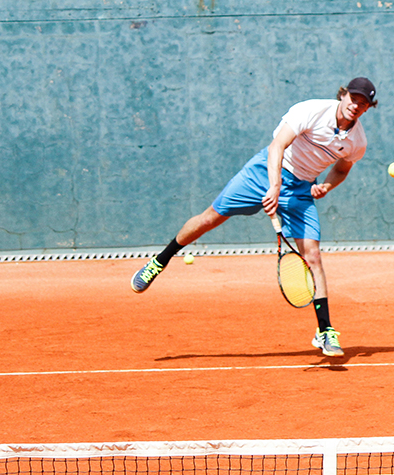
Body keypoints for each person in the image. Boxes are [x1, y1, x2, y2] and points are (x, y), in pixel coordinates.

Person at [130, 77, 378, 358]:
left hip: (300, 190)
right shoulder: (311, 110)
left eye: (363, 103)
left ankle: (324, 331)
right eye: (353, 99)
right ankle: (159, 261)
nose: (355, 106)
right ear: (343, 95)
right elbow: (277, 147)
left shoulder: (358, 142)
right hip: (263, 172)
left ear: (368, 108)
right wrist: (274, 186)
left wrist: (326, 186)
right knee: (209, 219)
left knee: (313, 256)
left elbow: (342, 169)